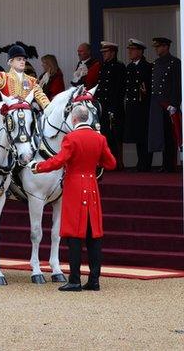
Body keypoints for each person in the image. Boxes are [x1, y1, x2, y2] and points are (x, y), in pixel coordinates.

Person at [32, 104, 116, 291]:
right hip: (92, 186)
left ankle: (75, 280)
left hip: (75, 187)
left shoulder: (71, 138)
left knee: (74, 236)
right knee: (93, 235)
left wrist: (38, 167)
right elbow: (111, 163)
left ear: (74, 119)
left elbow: (59, 161)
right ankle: (94, 280)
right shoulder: (99, 138)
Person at [147, 37, 181, 173]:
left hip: (168, 104)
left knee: (169, 135)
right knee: (160, 133)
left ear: (166, 47)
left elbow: (176, 84)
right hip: (158, 103)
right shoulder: (156, 63)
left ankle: (170, 164)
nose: (156, 49)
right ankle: (165, 163)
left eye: (159, 46)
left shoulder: (175, 62)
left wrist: (174, 103)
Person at [123, 39, 153, 172]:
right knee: (136, 135)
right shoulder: (129, 67)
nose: (130, 52)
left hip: (143, 106)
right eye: (129, 49)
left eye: (133, 49)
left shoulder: (147, 67)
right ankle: (140, 162)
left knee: (144, 135)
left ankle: (146, 163)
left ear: (140, 51)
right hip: (132, 105)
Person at [96, 41, 126, 169]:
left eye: (106, 52)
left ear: (113, 52)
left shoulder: (119, 67)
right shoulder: (103, 66)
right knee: (105, 134)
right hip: (103, 105)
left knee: (116, 135)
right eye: (103, 52)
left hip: (114, 106)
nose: (104, 55)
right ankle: (108, 163)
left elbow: (119, 88)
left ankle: (118, 163)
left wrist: (113, 106)